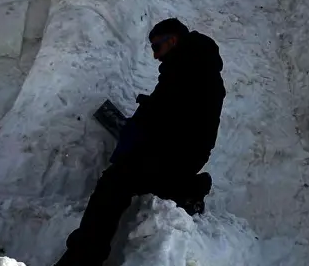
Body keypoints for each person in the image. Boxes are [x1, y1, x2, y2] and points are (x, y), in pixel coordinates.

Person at [53, 18, 226, 266]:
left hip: (177, 151)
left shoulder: (187, 67)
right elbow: (181, 108)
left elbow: (177, 113)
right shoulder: (194, 64)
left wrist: (147, 117)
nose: (155, 56)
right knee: (142, 175)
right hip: (185, 151)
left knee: (113, 183)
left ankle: (83, 258)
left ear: (173, 40)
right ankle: (188, 188)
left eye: (157, 47)